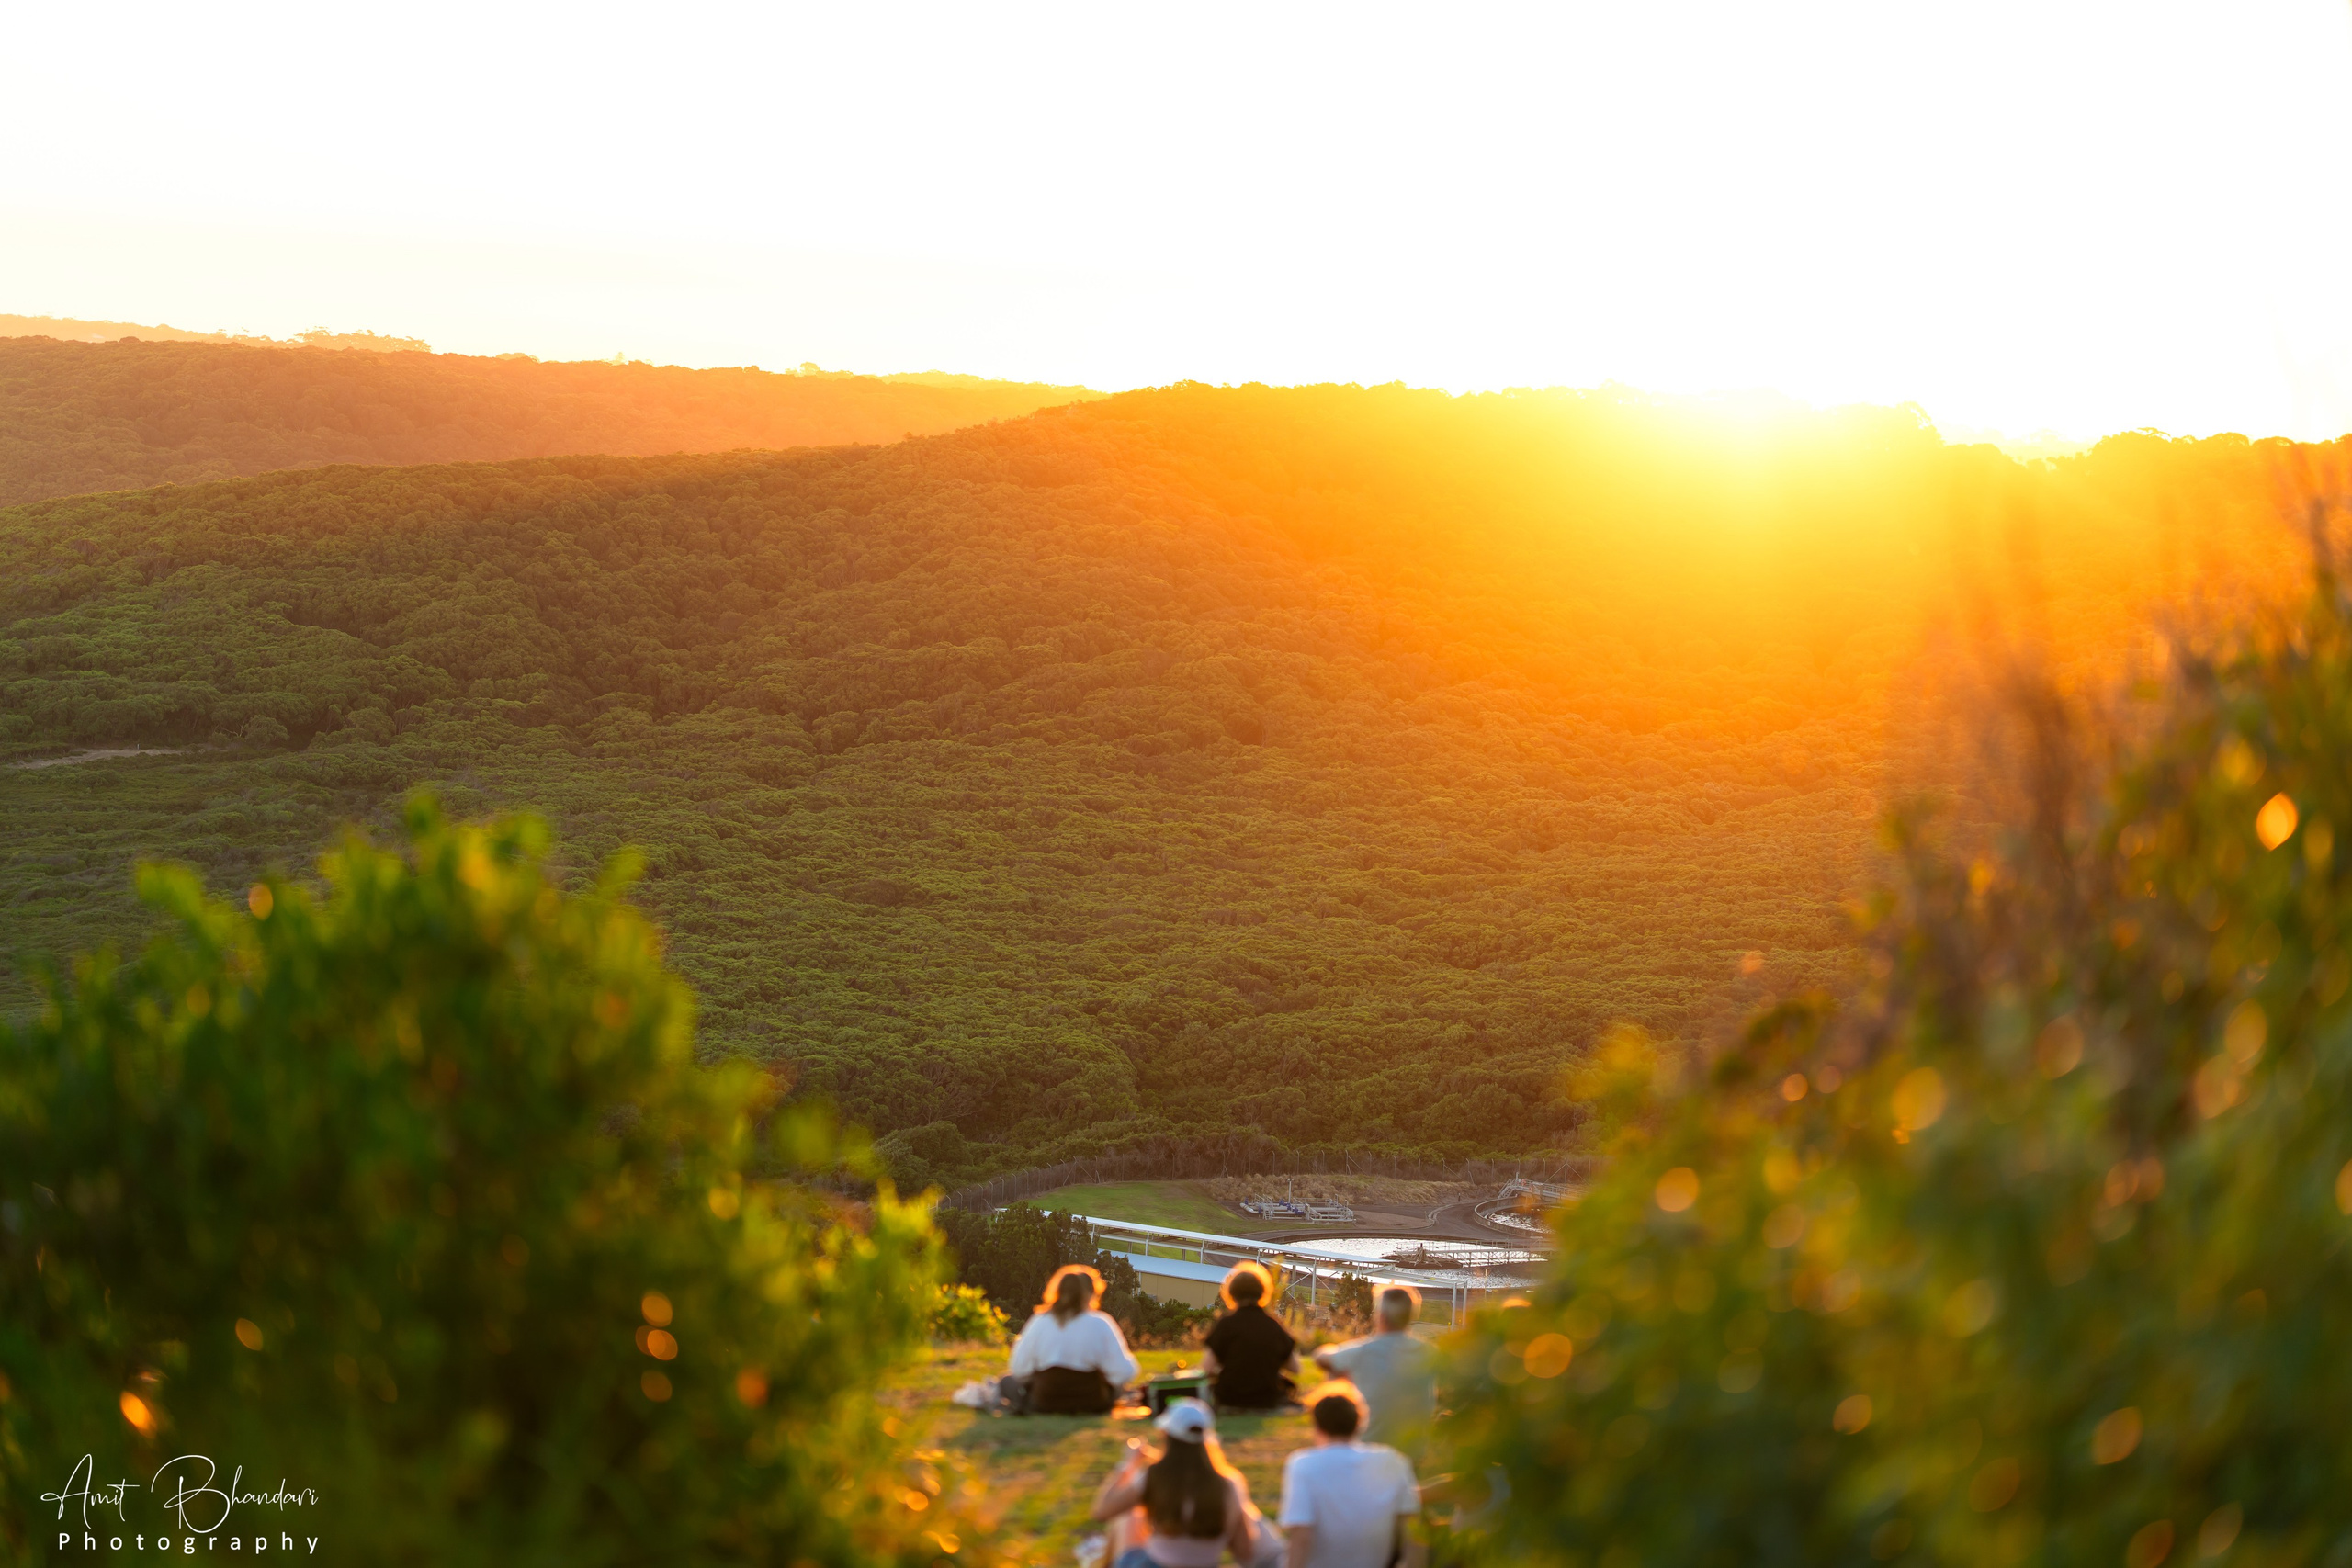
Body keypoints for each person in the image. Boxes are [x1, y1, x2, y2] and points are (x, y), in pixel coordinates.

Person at [1090, 1399, 1280, 1567]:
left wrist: (1128, 1464)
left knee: (1127, 1519)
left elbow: (1102, 1511)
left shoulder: (1154, 1476)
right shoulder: (1228, 1484)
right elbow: (1245, 1551)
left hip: (1154, 1564)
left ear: (1166, 1435)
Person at [1277, 1382, 1424, 1568]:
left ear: (1317, 1425)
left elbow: (1301, 1535)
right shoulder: (1392, 1461)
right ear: (1360, 1423)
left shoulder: (1303, 1464)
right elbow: (1413, 1532)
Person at [1312, 1285, 1437, 1461]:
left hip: (1368, 1450)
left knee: (1335, 1373)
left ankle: (1332, 1439)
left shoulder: (1364, 1351)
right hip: (1414, 1453)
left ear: (1381, 1316)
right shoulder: (1429, 1353)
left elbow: (1320, 1358)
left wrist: (1333, 1351)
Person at [1008, 1264, 1139, 1414]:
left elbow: (1019, 1369)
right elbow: (1125, 1372)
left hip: (1044, 1401)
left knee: (1006, 1382)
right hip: (1093, 1402)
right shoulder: (1101, 1323)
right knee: (1120, 1389)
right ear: (1091, 1293)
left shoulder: (1040, 1321)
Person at [1201, 1261, 1298, 1411]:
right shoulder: (1273, 1325)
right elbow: (1295, 1368)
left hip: (1230, 1399)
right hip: (1267, 1400)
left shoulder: (1226, 1324)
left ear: (1231, 1293)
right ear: (1262, 1293)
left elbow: (1206, 1370)